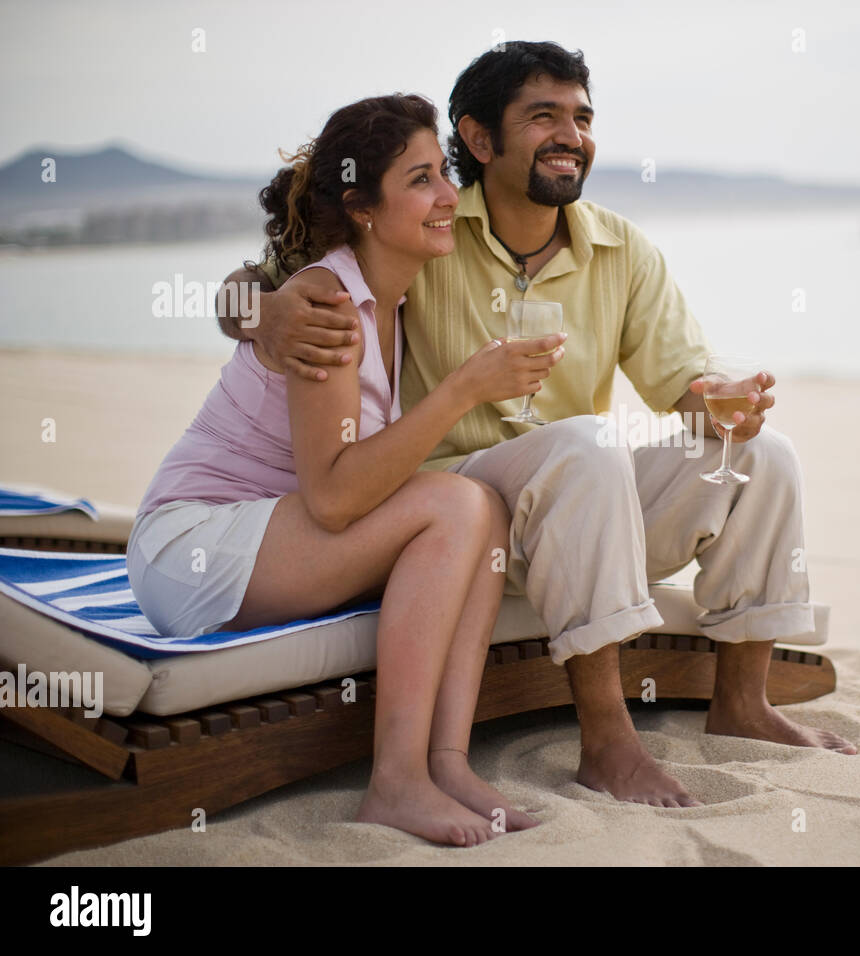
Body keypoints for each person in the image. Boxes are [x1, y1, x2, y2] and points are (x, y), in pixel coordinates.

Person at [217, 43, 859, 810]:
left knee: (761, 454)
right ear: (480, 140)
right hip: (454, 521)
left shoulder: (621, 249)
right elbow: (260, 282)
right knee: (586, 445)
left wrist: (721, 398)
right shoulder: (432, 225)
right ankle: (608, 741)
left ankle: (744, 704)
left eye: (583, 117)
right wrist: (264, 314)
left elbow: (681, 384)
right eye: (543, 116)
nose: (571, 133)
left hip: (585, 519)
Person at [129, 93, 564, 845]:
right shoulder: (325, 305)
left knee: (484, 507)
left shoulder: (394, 294)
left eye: (444, 175)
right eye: (421, 180)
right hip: (194, 547)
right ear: (364, 208)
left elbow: (248, 281)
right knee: (457, 505)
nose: (444, 198)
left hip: (272, 535)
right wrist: (466, 387)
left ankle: (445, 762)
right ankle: (394, 783)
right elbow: (332, 498)